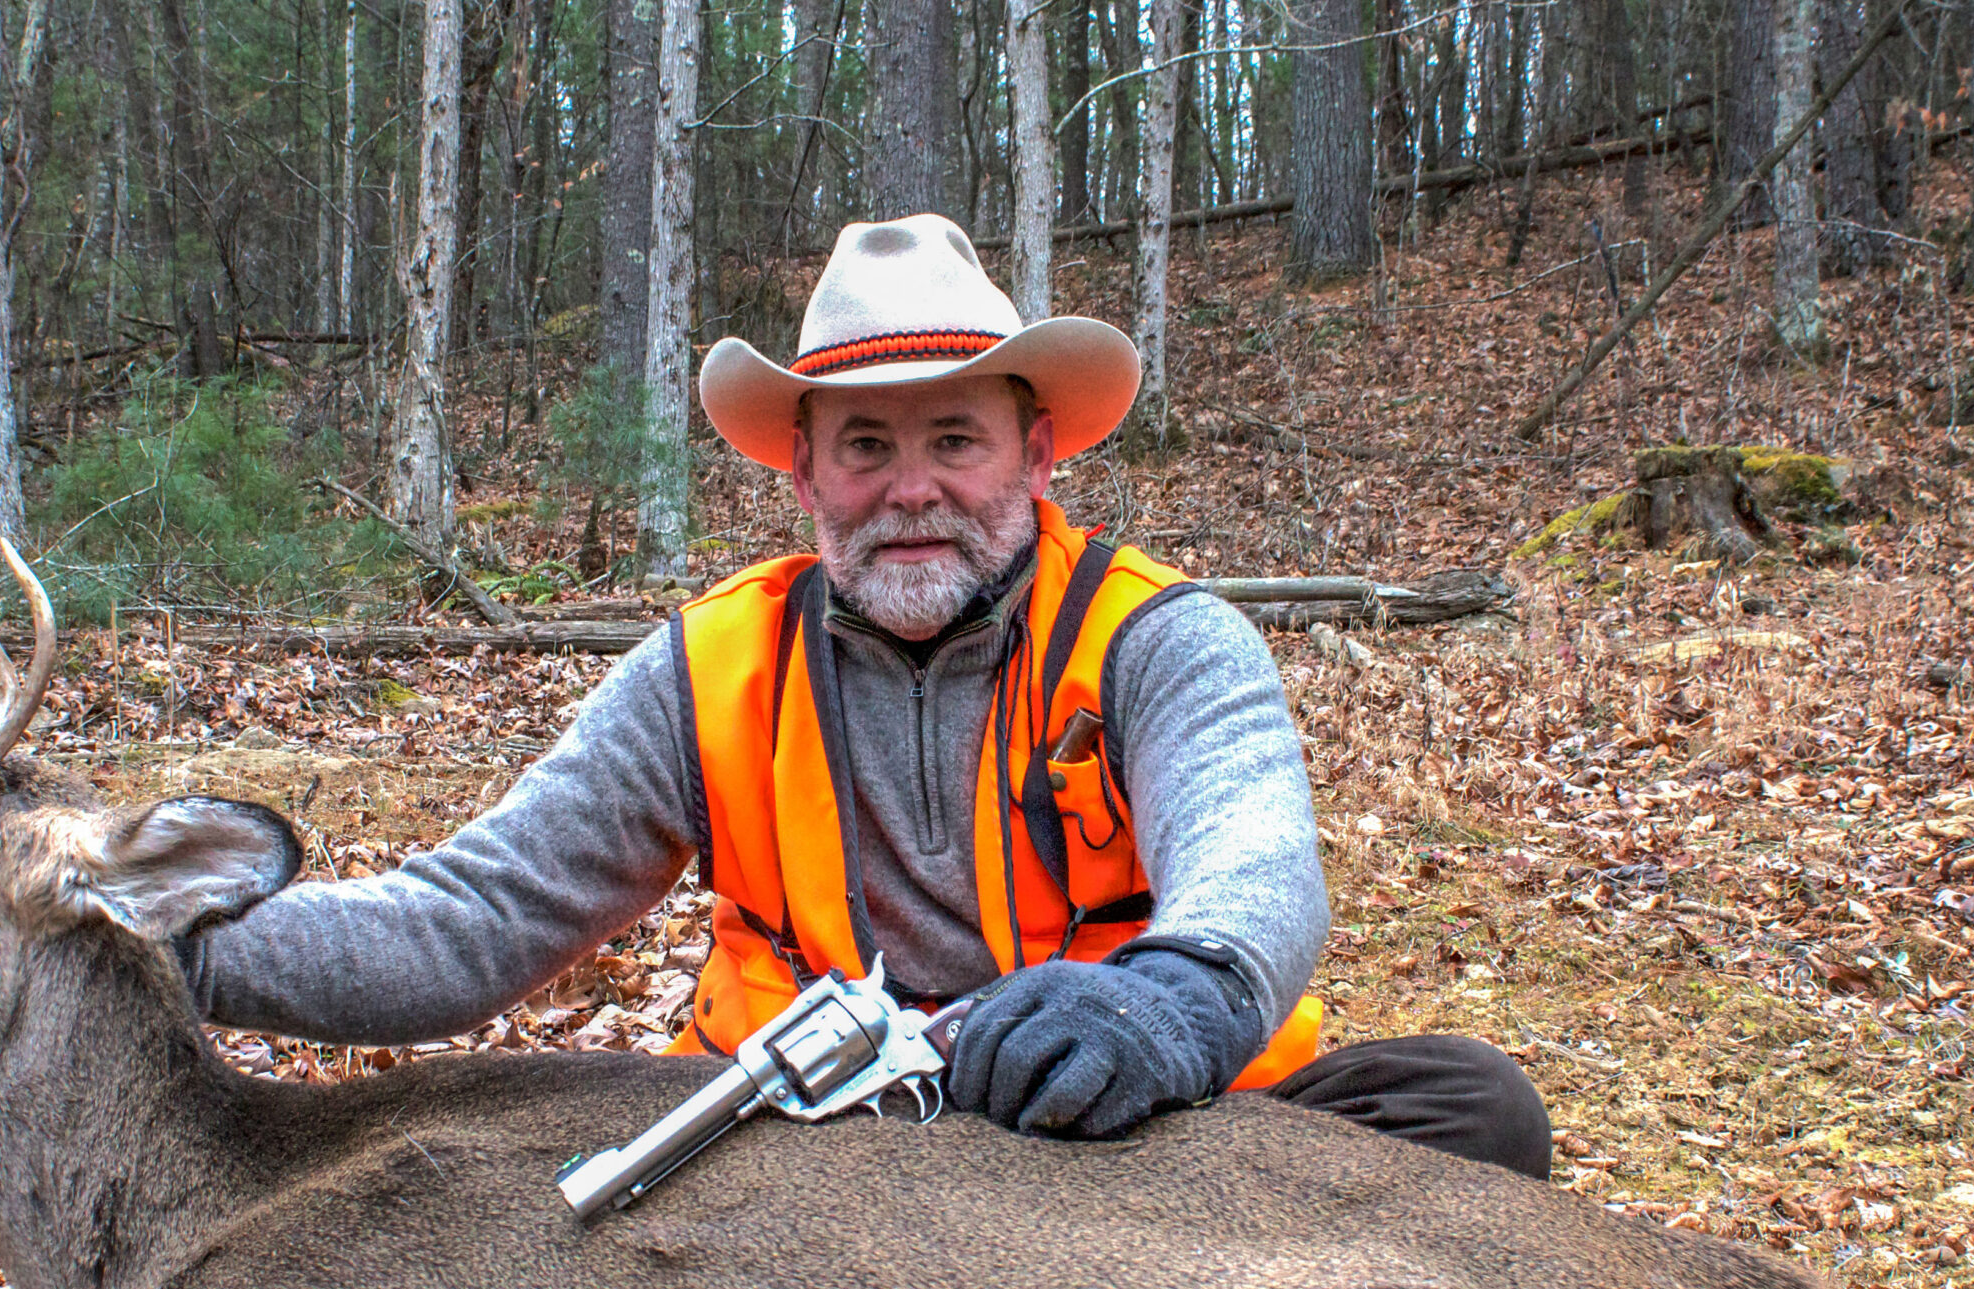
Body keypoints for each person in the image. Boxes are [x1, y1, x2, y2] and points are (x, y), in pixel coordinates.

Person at [183, 215, 1550, 1174]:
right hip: (814, 1151)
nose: (911, 490)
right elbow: (471, 921)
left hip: (1139, 1120)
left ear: (1037, 451)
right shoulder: (711, 668)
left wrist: (1166, 1007)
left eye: (955, 437)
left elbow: (1258, 869)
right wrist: (168, 943)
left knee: (1470, 1113)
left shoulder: (1160, 639)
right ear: (802, 475)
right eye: (866, 447)